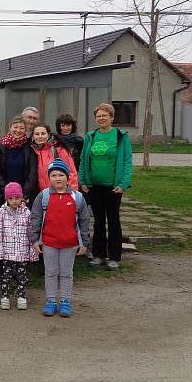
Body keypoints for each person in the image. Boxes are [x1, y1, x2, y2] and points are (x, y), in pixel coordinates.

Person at [30, 158, 91, 317]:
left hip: (70, 243)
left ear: (68, 176)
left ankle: (65, 301)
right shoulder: (43, 196)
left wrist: (84, 242)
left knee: (66, 273)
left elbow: (84, 221)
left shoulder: (77, 197)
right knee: (50, 272)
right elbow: (36, 218)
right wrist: (35, 240)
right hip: (49, 242)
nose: (58, 178)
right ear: (49, 178)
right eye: (54, 175)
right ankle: (50, 300)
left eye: (61, 175)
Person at [78, 102, 133, 271]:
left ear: (112, 117)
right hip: (94, 186)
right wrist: (83, 181)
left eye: (104, 115)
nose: (101, 118)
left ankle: (115, 257)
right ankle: (99, 255)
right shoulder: (91, 136)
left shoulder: (120, 136)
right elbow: (83, 160)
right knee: (99, 221)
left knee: (113, 220)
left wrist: (123, 184)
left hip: (113, 187)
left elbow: (127, 161)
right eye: (98, 116)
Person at [0, 182, 36, 311]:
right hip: (7, 252)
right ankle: (5, 297)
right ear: (6, 199)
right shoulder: (1, 213)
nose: (14, 201)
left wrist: (32, 253)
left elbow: (31, 233)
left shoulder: (27, 213)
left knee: (22, 277)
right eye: (11, 198)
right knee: (6, 277)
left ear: (21, 198)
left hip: (22, 252)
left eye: (17, 198)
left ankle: (21, 297)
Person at [0, 115, 38, 208]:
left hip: (25, 197)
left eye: (21, 128)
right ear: (10, 128)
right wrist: (7, 192)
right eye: (15, 127)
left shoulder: (30, 147)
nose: (18, 130)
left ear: (25, 130)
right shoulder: (1, 147)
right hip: (4, 196)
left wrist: (23, 195)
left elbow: (33, 173)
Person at [30, 124, 78, 195]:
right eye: (37, 134)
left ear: (48, 134)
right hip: (43, 194)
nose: (40, 136)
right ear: (33, 136)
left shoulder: (59, 149)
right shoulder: (33, 151)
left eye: (43, 133)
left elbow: (71, 172)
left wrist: (72, 193)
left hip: (61, 192)